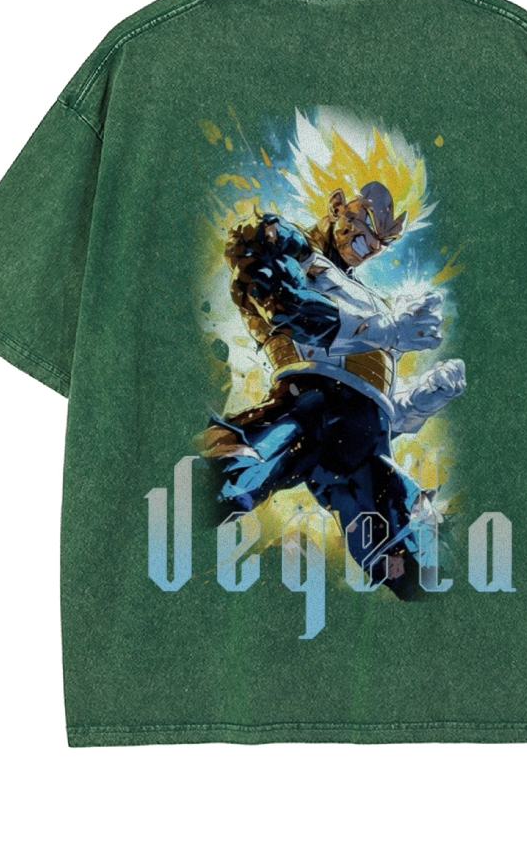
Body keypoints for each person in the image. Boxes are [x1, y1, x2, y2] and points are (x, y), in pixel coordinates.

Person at [197, 180, 466, 598]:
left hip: (365, 447)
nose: (370, 246)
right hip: (310, 404)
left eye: (382, 242)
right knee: (236, 469)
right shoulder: (289, 244)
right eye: (365, 227)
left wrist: (423, 397)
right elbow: (286, 306)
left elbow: (371, 396)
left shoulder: (371, 301)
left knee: (418, 544)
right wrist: (388, 329)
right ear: (338, 206)